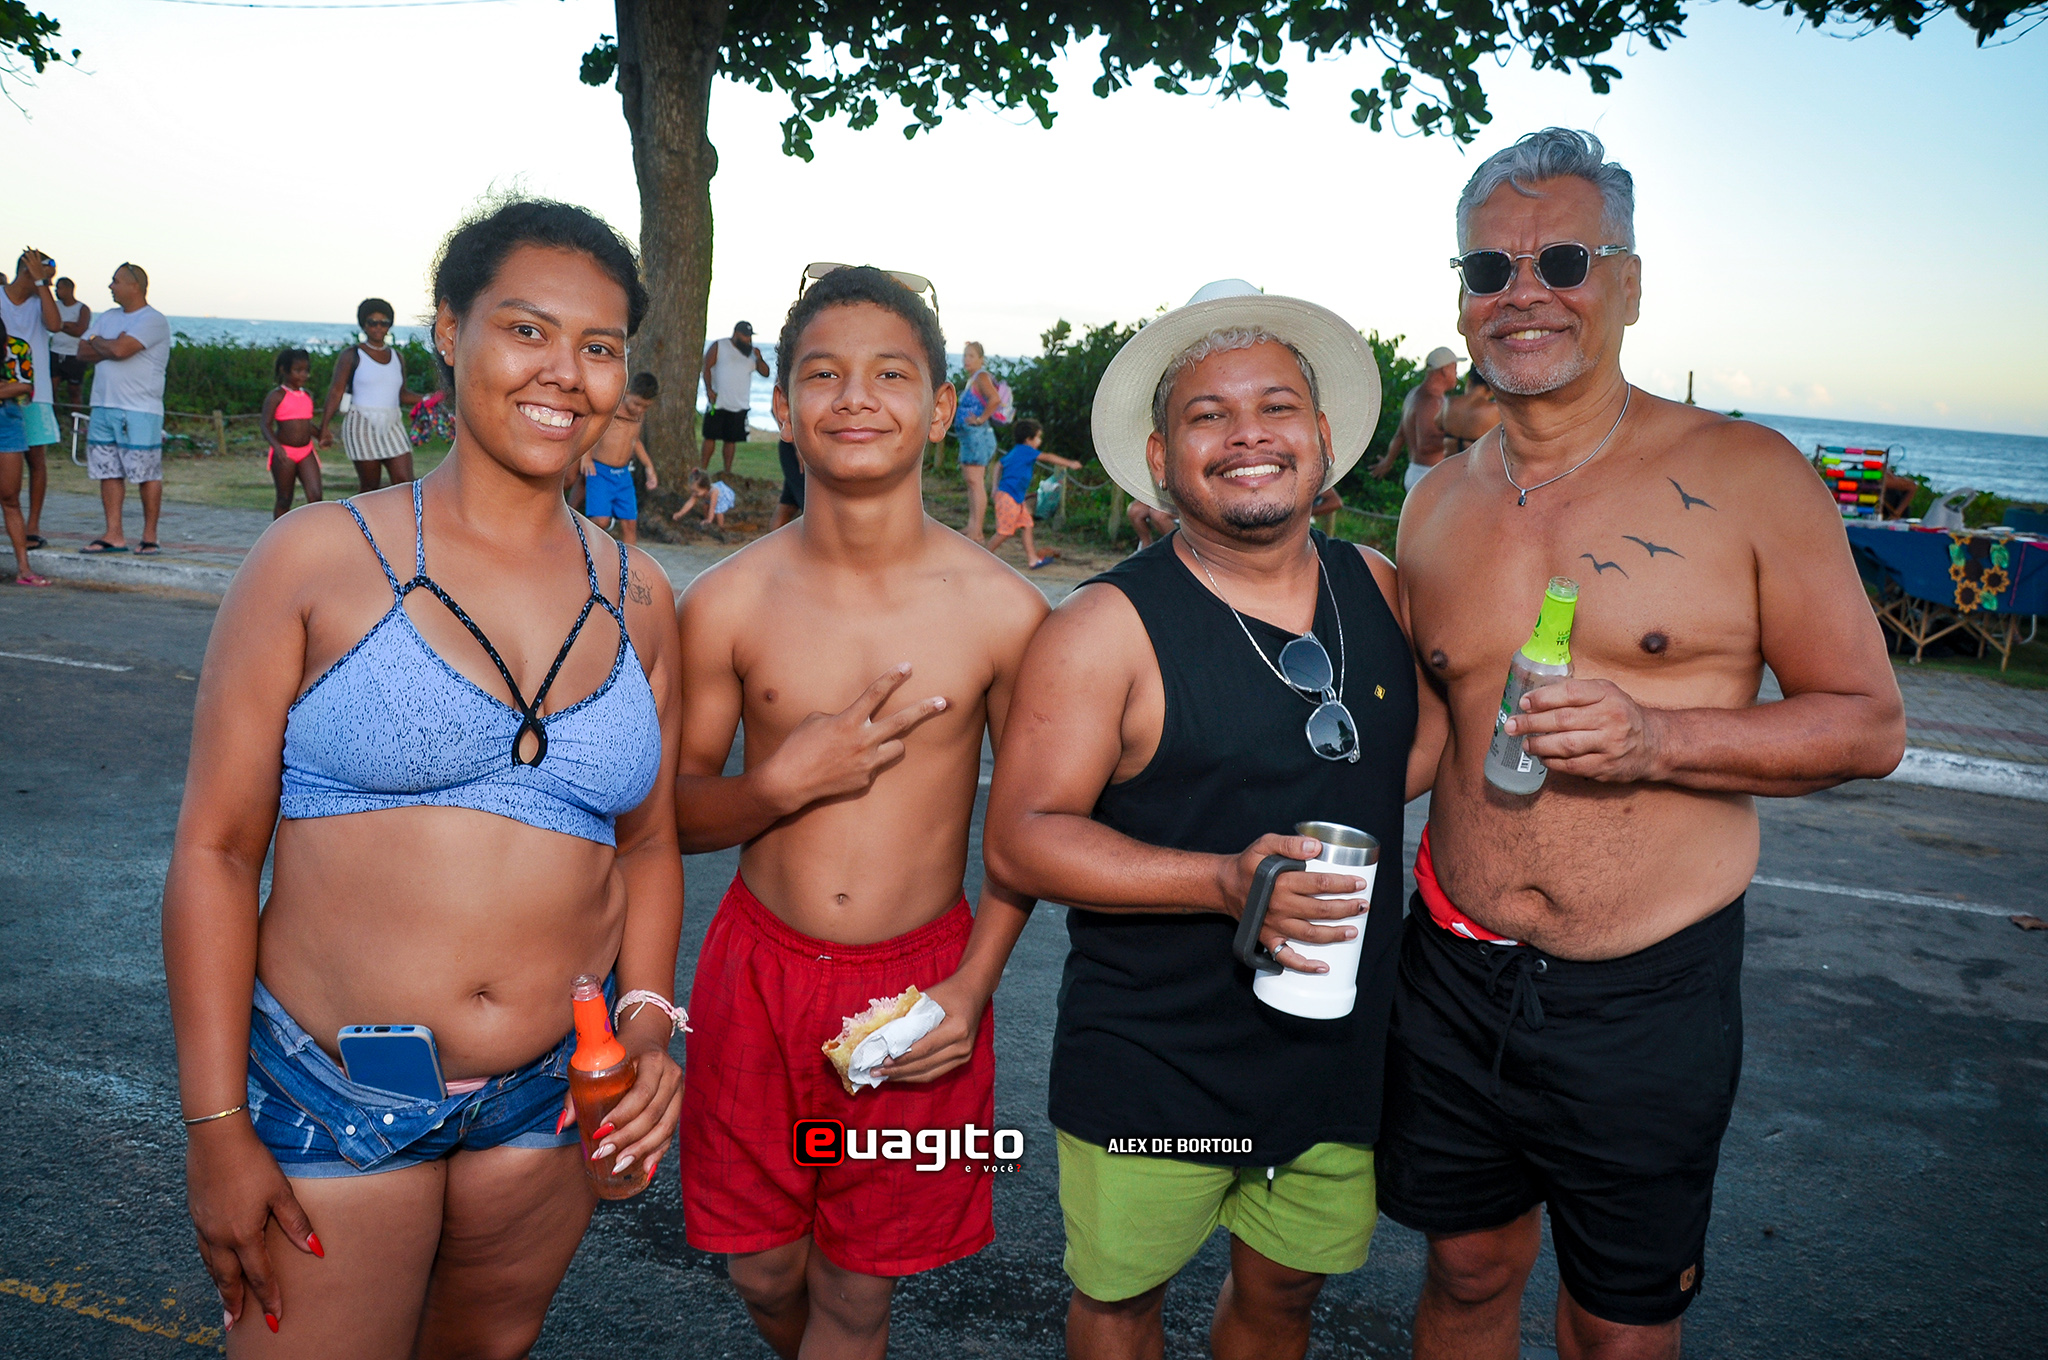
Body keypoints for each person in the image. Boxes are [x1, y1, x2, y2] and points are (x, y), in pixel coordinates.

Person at [1384, 128, 1907, 1360]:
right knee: (1463, 1268)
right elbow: (1427, 735)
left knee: (1617, 1325)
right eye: (1488, 269)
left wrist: (1656, 738)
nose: (1523, 292)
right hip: (1449, 967)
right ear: (1459, 300)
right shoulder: (1435, 502)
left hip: (1643, 990)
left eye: (1562, 260)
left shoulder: (1746, 473)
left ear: (1627, 283)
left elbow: (1867, 723)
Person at [161, 198, 686, 1355]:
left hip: (548, 1101)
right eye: (527, 329)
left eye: (599, 346)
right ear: (449, 331)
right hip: (332, 1093)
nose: (565, 373)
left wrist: (648, 1027)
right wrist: (215, 1125)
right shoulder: (315, 557)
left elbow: (646, 844)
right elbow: (215, 850)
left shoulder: (640, 596)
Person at [982, 280, 1445, 1360]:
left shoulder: (1376, 585)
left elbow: (1410, 751)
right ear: (1161, 457)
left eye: (1275, 407)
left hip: (1335, 1044)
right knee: (1119, 1305)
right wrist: (1220, 880)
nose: (1248, 435)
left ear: (1320, 435)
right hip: (1156, 1054)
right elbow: (1022, 836)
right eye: (1208, 414)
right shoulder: (1102, 627)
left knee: (1284, 1299)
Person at [672, 265, 1047, 1360]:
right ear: (784, 407)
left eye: (890, 374)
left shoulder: (1006, 611)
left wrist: (971, 988)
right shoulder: (725, 600)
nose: (855, 398)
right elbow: (671, 816)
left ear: (939, 407)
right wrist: (779, 785)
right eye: (822, 375)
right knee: (762, 1266)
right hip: (756, 974)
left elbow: (1026, 836)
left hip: (919, 984)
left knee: (857, 1288)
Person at [74, 263, 171, 555]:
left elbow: (120, 350)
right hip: (103, 405)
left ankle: (149, 536)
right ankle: (113, 534)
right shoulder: (108, 317)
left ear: (135, 286)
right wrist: (107, 345)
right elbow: (81, 351)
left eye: (116, 281)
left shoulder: (153, 320)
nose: (110, 286)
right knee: (108, 471)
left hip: (140, 408)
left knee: (146, 472)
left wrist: (99, 342)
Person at [318, 298, 424, 493]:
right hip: (361, 424)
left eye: (384, 323)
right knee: (370, 487)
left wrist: (428, 399)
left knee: (406, 483)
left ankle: (401, 515)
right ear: (363, 325)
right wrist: (324, 428)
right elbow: (336, 392)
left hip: (392, 423)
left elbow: (401, 394)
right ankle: (363, 515)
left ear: (390, 326)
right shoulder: (352, 355)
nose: (378, 327)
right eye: (372, 322)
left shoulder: (397, 357)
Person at [1, 248, 60, 553]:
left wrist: (41, 285)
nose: (51, 280)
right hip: (4, 394)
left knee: (36, 460)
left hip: (36, 394)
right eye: (47, 273)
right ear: (28, 269)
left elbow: (55, 324)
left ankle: (32, 526)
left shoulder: (41, 302)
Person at [985, 417, 1080, 568]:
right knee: (1004, 532)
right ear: (1029, 439)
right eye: (1038, 437)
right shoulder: (1026, 451)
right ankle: (983, 556)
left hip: (1015, 497)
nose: (1039, 441)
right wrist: (1070, 463)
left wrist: (995, 487)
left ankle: (1033, 559)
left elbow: (999, 465)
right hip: (1009, 497)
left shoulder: (1016, 451)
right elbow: (1047, 457)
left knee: (1027, 524)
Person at [580, 371, 659, 543]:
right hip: (599, 471)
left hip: (623, 474)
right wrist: (586, 456)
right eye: (637, 404)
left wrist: (649, 467)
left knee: (630, 523)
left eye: (645, 407)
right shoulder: (612, 409)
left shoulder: (639, 415)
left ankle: (630, 559)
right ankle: (586, 550)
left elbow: (635, 440)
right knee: (600, 521)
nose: (640, 410)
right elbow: (593, 429)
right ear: (627, 393)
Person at [1, 308, 48, 584]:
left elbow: (25, 388)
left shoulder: (18, 347)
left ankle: (24, 569)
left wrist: (13, 387)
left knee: (10, 497)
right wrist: (9, 386)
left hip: (7, 422)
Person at [1371, 346, 1460, 490]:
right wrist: (1462, 437)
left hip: (1417, 472)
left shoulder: (1415, 395)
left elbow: (1400, 435)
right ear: (1444, 370)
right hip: (1427, 475)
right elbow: (1425, 445)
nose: (1456, 374)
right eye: (1454, 369)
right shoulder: (1430, 401)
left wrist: (1388, 462)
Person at [260, 347, 322, 519]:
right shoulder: (277, 396)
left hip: (306, 451)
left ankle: (315, 531)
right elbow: (265, 424)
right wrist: (277, 447)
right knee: (284, 498)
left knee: (316, 496)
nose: (303, 375)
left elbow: (306, 424)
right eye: (298, 370)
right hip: (285, 453)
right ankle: (280, 532)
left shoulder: (307, 395)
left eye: (306, 371)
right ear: (284, 370)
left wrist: (320, 435)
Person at [702, 319, 768, 475]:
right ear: (736, 334)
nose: (748, 339)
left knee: (731, 440)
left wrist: (759, 358)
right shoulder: (719, 346)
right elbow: (706, 367)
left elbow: (765, 373)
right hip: (718, 402)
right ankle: (702, 470)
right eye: (745, 336)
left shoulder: (751, 354)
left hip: (739, 404)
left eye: (750, 336)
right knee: (710, 436)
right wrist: (709, 389)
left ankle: (727, 472)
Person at [953, 340, 1001, 540]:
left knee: (976, 481)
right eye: (965, 355)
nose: (966, 359)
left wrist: (981, 419)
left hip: (977, 437)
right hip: (969, 437)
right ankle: (972, 526)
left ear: (981, 359)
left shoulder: (981, 376)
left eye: (971, 356)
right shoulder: (973, 378)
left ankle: (977, 530)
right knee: (971, 481)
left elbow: (995, 399)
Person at [50, 274, 91, 409]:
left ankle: (76, 417)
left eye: (59, 288)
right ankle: (54, 416)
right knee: (52, 387)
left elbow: (80, 330)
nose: (56, 291)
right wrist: (68, 325)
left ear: (69, 289)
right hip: (55, 352)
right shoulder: (54, 306)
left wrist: (60, 325)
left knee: (74, 390)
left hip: (74, 355)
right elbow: (49, 324)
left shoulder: (82, 309)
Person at [1440, 366, 1501, 454]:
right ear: (1493, 387)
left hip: (1449, 460)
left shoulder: (1450, 403)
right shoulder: (1496, 411)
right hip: (1477, 462)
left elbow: (1438, 424)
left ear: (1469, 381)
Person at [770, 437, 804, 529]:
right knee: (812, 507)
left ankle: (775, 537)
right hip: (800, 449)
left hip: (799, 448)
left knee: (788, 505)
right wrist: (799, 448)